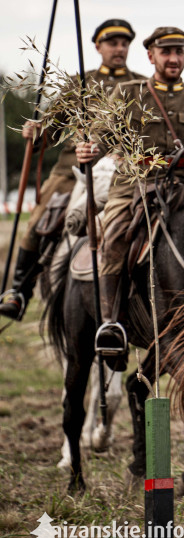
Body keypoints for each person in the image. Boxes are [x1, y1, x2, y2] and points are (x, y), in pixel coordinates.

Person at [78, 27, 184, 357]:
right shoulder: (129, 93)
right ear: (151, 56)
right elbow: (102, 138)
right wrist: (88, 151)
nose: (173, 59)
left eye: (179, 52)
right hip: (135, 187)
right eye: (166, 53)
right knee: (113, 236)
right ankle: (112, 322)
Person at [0, 19, 145, 321]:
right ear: (98, 46)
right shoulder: (80, 84)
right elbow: (52, 130)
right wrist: (35, 133)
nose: (119, 49)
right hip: (72, 169)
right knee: (41, 216)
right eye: (112, 43)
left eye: (124, 43)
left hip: (125, 170)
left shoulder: (141, 86)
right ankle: (18, 291)